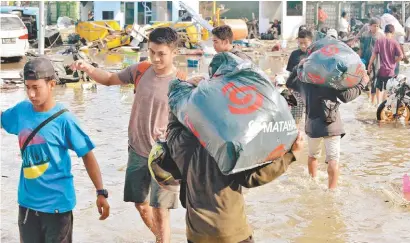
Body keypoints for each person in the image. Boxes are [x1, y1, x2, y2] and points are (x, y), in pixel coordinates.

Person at [71, 27, 184, 243]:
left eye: (161, 53)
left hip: (164, 156)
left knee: (161, 211)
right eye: (152, 52)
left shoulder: (180, 82)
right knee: (141, 205)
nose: (156, 58)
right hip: (137, 151)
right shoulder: (140, 70)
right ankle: (162, 240)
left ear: (173, 52)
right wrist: (88, 68)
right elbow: (110, 79)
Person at [0, 57, 110, 242]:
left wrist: (101, 192)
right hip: (27, 204)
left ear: (51, 84)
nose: (31, 94)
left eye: (36, 87)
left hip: (58, 206)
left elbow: (87, 155)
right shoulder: (21, 111)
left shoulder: (65, 120)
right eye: (28, 87)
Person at [166, 114, 304, 243]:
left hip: (196, 232)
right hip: (230, 231)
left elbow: (173, 122)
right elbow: (252, 178)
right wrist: (291, 155)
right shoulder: (229, 141)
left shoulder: (178, 141)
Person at [286, 63, 369, 190]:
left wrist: (298, 67)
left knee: (313, 155)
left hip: (313, 126)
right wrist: (362, 83)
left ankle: (313, 182)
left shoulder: (304, 83)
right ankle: (332, 191)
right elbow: (346, 96)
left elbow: (289, 83)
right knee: (333, 160)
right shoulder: (331, 82)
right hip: (332, 125)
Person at [368, 24, 403, 105]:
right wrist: (394, 61)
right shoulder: (395, 42)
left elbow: (374, 55)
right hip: (391, 71)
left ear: (384, 31)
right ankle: (384, 105)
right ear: (393, 32)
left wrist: (369, 65)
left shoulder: (379, 41)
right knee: (388, 89)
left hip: (381, 70)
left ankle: (377, 104)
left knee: (378, 87)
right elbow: (401, 56)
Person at [286, 30, 313, 126]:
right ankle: (296, 135)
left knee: (312, 118)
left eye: (305, 43)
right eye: (300, 43)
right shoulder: (294, 54)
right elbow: (289, 73)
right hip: (297, 91)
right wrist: (289, 91)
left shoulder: (315, 54)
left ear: (311, 41)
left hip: (311, 91)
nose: (302, 46)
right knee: (295, 118)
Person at [359, 18, 385, 105]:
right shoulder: (364, 35)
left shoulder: (381, 36)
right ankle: (367, 98)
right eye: (374, 26)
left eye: (378, 26)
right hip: (365, 59)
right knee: (364, 79)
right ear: (370, 26)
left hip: (376, 61)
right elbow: (361, 48)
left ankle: (373, 102)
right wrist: (359, 59)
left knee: (374, 79)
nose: (376, 27)